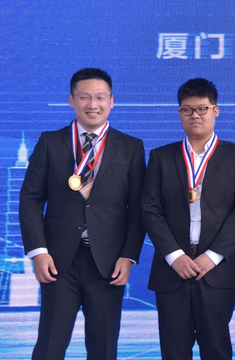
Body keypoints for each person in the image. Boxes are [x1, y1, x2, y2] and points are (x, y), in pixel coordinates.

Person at [19, 68, 146, 360]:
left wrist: (128, 256)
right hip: (58, 261)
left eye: (100, 97)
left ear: (111, 101)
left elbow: (139, 208)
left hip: (108, 263)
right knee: (50, 346)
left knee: (103, 349)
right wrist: (38, 252)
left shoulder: (130, 147)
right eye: (85, 97)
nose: (93, 104)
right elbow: (30, 199)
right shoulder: (50, 142)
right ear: (71, 100)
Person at [142, 77, 235, 360]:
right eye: (187, 109)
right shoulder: (161, 157)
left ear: (216, 111)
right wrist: (174, 256)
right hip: (172, 270)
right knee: (174, 351)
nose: (195, 115)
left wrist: (213, 256)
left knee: (216, 349)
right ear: (179, 113)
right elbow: (150, 210)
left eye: (202, 108)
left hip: (217, 270)